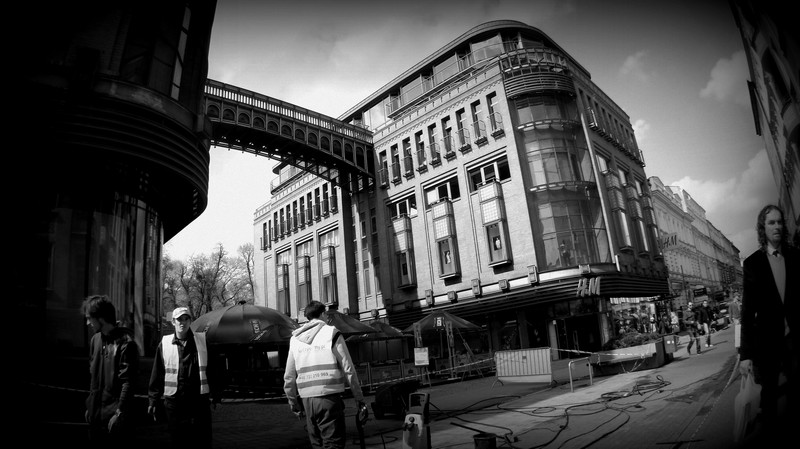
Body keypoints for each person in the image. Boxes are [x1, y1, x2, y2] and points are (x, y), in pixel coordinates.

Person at [739, 204, 799, 442]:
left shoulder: (795, 256)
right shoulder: (753, 264)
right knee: (770, 397)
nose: (777, 226)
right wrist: (745, 355)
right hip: (767, 343)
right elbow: (747, 312)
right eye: (771, 222)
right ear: (762, 228)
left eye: (779, 222)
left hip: (793, 339)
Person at [284, 301, 366, 449]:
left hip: (307, 400)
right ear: (322, 314)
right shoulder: (332, 333)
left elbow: (289, 376)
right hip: (329, 398)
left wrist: (293, 403)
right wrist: (359, 398)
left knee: (317, 444)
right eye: (326, 315)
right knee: (333, 444)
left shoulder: (295, 338)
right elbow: (348, 368)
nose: (327, 318)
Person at [148, 306, 220, 448]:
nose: (183, 322)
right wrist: (153, 400)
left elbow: (213, 370)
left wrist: (216, 394)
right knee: (179, 440)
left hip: (198, 401)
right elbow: (157, 373)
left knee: (202, 441)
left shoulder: (202, 341)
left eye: (186, 319)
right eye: (179, 319)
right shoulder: (165, 344)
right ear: (173, 322)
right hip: (175, 402)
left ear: (190, 321)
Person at [82, 294, 139, 446]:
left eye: (89, 318)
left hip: (115, 419)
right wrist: (91, 406)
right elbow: (93, 377)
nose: (87, 323)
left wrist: (119, 412)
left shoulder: (126, 344)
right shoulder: (95, 340)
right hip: (95, 416)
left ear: (101, 318)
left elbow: (128, 382)